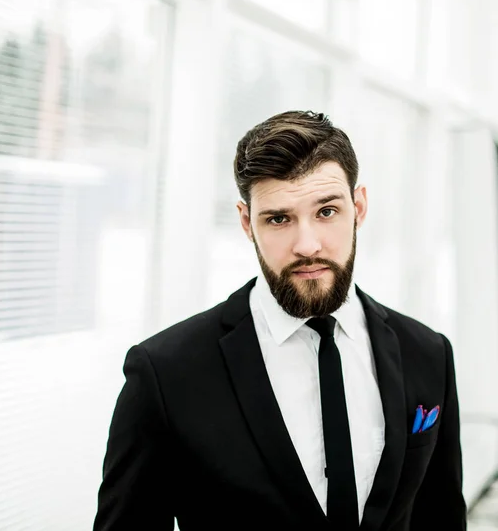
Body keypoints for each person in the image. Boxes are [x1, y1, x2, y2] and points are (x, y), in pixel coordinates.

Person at [93, 111, 467, 530]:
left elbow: (442, 516)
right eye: (278, 218)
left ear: (358, 207)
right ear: (245, 222)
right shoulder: (165, 372)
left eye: (326, 212)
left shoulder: (428, 353)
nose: (307, 245)